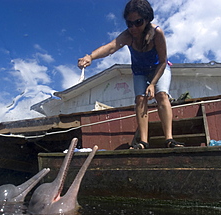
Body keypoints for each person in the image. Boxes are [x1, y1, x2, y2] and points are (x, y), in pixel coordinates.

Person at [78, 0, 183, 149]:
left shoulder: (156, 33)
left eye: (138, 22)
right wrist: (90, 57)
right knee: (140, 99)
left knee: (161, 95)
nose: (133, 27)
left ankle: (169, 139)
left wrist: (153, 84)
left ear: (147, 20)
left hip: (159, 68)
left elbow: (162, 61)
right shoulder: (128, 36)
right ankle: (144, 141)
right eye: (129, 23)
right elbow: (110, 48)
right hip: (139, 71)